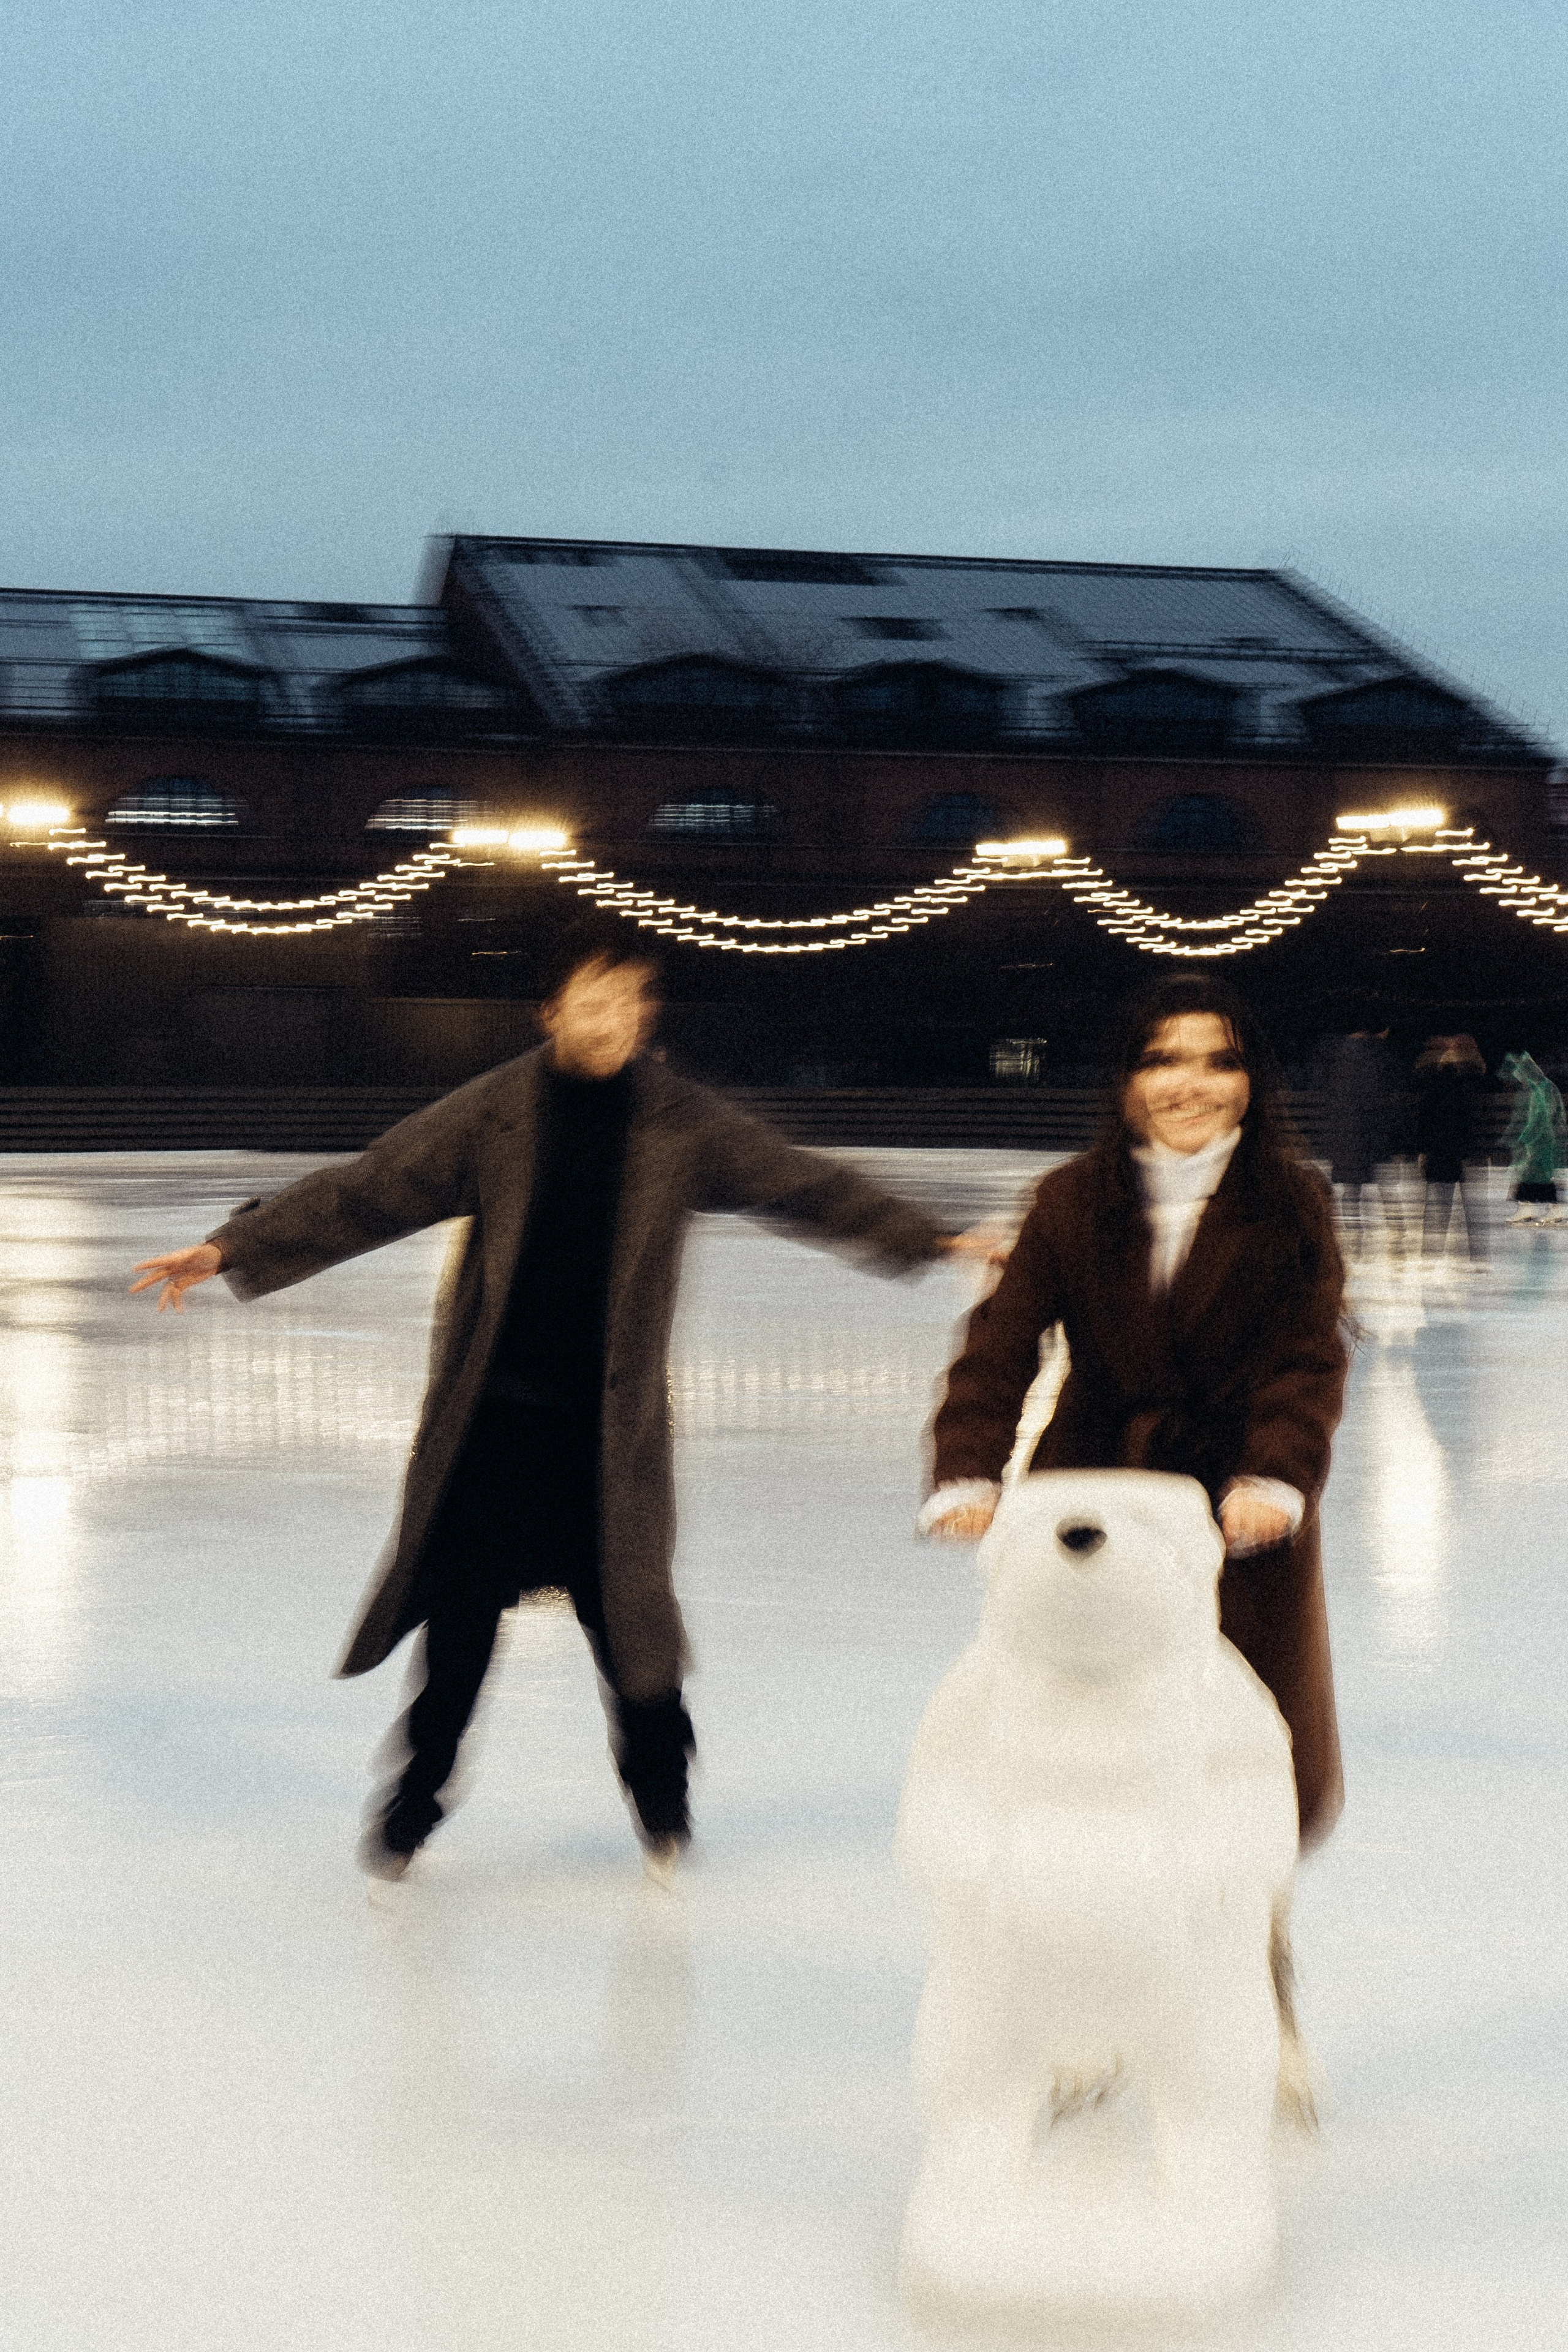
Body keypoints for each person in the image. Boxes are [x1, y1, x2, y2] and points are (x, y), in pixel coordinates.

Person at [130, 917, 989, 1879]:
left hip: (605, 1440)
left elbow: (801, 1183)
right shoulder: (491, 1113)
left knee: (634, 1642)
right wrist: (232, 1247)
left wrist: (933, 1237)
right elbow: (371, 1188)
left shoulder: (680, 1120)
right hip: (492, 1432)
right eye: (594, 1001)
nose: (615, 1019)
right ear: (551, 1014)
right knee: (456, 1639)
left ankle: (663, 1808)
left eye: (630, 1001)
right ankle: (409, 1816)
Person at [920, 971, 1348, 1849]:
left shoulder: (1291, 1202)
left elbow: (1307, 1359)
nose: (1189, 1084)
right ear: (1127, 1081)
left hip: (1233, 1499)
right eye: (1163, 1060)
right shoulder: (1071, 1198)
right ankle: (1077, 1927)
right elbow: (1000, 1342)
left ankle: (1234, 1929)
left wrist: (1273, 1476)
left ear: (1252, 1084)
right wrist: (968, 1467)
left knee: (1241, 1746)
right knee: (1082, 1734)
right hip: (1093, 1484)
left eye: (1218, 1062)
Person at [1318, 1020, 1404, 1260]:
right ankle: (1396, 1230)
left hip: (1349, 1134)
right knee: (1385, 1186)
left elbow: (1334, 1097)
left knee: (1352, 1189)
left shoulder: (1340, 1055)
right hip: (1374, 1134)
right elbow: (1389, 1100)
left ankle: (1356, 1234)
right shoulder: (1381, 1057)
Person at [1414, 1033, 1488, 1267]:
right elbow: (1480, 1118)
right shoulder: (1476, 1079)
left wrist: (1423, 1150)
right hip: (1468, 1152)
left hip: (1442, 1151)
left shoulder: (1438, 1079)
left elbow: (1427, 1117)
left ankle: (1429, 1257)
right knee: (1473, 1211)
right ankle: (1477, 1258)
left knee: (1438, 1208)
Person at [1499, 1050, 1568, 1226]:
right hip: (1543, 1141)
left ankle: (1547, 1208)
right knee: (1536, 1176)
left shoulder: (1543, 1089)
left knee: (1536, 1176)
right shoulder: (1542, 1088)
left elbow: (1541, 1118)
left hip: (1543, 1142)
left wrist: (1525, 1138)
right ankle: (1533, 1208)